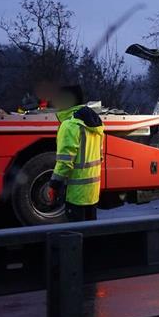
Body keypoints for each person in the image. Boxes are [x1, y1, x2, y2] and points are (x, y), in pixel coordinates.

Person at [47, 85, 105, 223]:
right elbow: (100, 157)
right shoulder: (95, 123)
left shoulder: (69, 125)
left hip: (75, 195)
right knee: (90, 236)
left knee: (76, 238)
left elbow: (65, 163)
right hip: (91, 194)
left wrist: (54, 185)